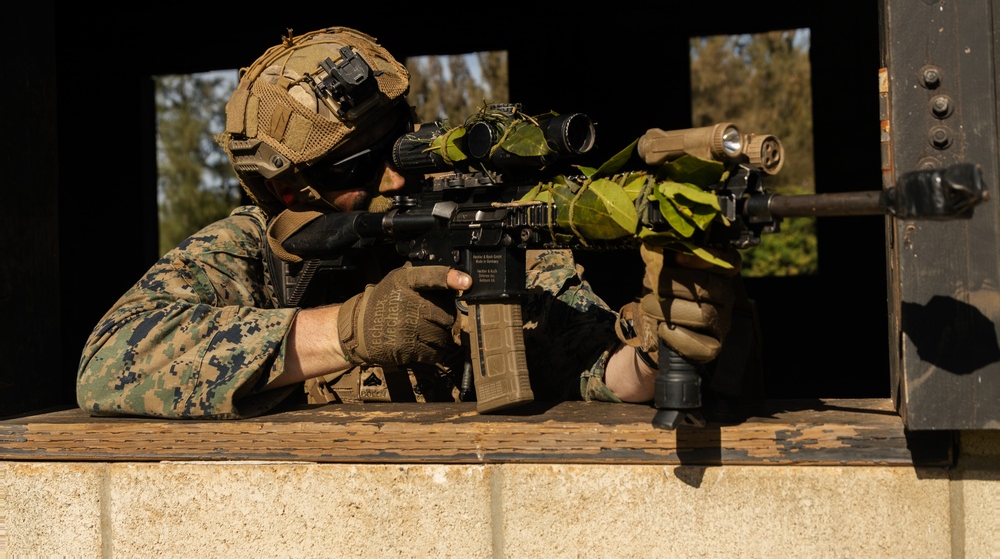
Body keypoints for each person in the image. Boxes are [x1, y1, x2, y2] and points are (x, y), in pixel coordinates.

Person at [76, 27, 741, 420]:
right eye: (359, 167)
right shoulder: (250, 249)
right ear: (286, 187)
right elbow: (109, 361)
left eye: (399, 145)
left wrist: (659, 350)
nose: (395, 178)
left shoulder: (480, 224)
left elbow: (592, 364)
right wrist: (347, 329)